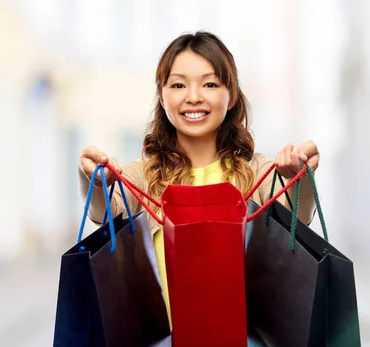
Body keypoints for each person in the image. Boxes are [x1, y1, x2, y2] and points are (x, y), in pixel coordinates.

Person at [78, 31, 320, 324]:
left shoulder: (256, 171)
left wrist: (300, 176)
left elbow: (299, 215)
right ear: (163, 97)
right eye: (178, 84)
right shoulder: (144, 175)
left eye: (209, 84)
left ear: (230, 96)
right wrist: (91, 178)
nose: (193, 97)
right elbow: (103, 212)